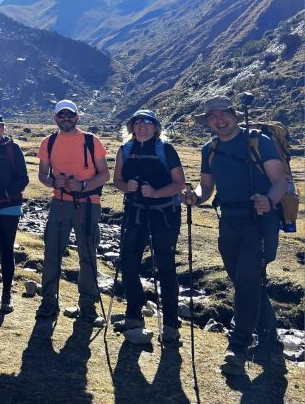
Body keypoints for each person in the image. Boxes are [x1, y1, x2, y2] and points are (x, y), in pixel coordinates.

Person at [184, 96, 288, 375]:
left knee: (246, 280)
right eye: (212, 116)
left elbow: (280, 181)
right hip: (229, 222)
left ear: (235, 115)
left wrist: (268, 200)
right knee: (246, 282)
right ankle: (272, 344)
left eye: (223, 114)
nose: (219, 120)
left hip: (260, 220)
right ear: (207, 122)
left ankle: (238, 347)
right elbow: (206, 188)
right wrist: (194, 197)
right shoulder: (210, 149)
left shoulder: (258, 142)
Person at [112, 109, 185, 343]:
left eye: (148, 122)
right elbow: (117, 181)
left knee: (165, 266)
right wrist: (127, 187)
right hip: (135, 213)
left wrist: (155, 193)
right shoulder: (124, 150)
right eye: (138, 122)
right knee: (128, 261)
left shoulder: (166, 150)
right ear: (131, 127)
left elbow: (179, 184)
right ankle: (134, 314)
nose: (143, 125)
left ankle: (171, 324)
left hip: (164, 215)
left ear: (156, 127)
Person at [36, 100, 109, 326]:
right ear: (55, 118)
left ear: (78, 117)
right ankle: (49, 301)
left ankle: (87, 305)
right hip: (59, 203)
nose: (66, 118)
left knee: (87, 253)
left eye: (70, 115)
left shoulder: (91, 141)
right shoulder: (47, 143)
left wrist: (84, 186)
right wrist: (53, 182)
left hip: (88, 203)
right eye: (62, 115)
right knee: (52, 252)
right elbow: (42, 176)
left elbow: (105, 174)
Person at [0, 112, 29, 314]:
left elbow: (23, 178)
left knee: (7, 251)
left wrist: (6, 192)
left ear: (3, 128)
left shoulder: (13, 148)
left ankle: (6, 295)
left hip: (10, 208)